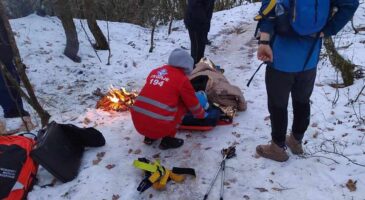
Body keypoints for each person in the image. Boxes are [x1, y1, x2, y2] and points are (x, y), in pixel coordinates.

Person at [255, 0, 359, 162]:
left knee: (278, 103)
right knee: (302, 100)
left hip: (280, 56)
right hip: (309, 57)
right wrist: (328, 30)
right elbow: (351, 4)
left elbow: (268, 11)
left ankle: (277, 147)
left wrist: (264, 41)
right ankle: (296, 141)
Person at [131, 48, 207, 150]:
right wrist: (201, 115)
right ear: (187, 66)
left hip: (138, 123)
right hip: (159, 128)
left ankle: (149, 137)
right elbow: (192, 103)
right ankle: (168, 140)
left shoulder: (155, 71)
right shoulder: (182, 80)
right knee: (183, 104)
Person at [0, 18, 34, 133]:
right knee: (3, 86)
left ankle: (18, 110)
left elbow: (6, 32)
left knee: (14, 82)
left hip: (7, 55)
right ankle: (11, 113)